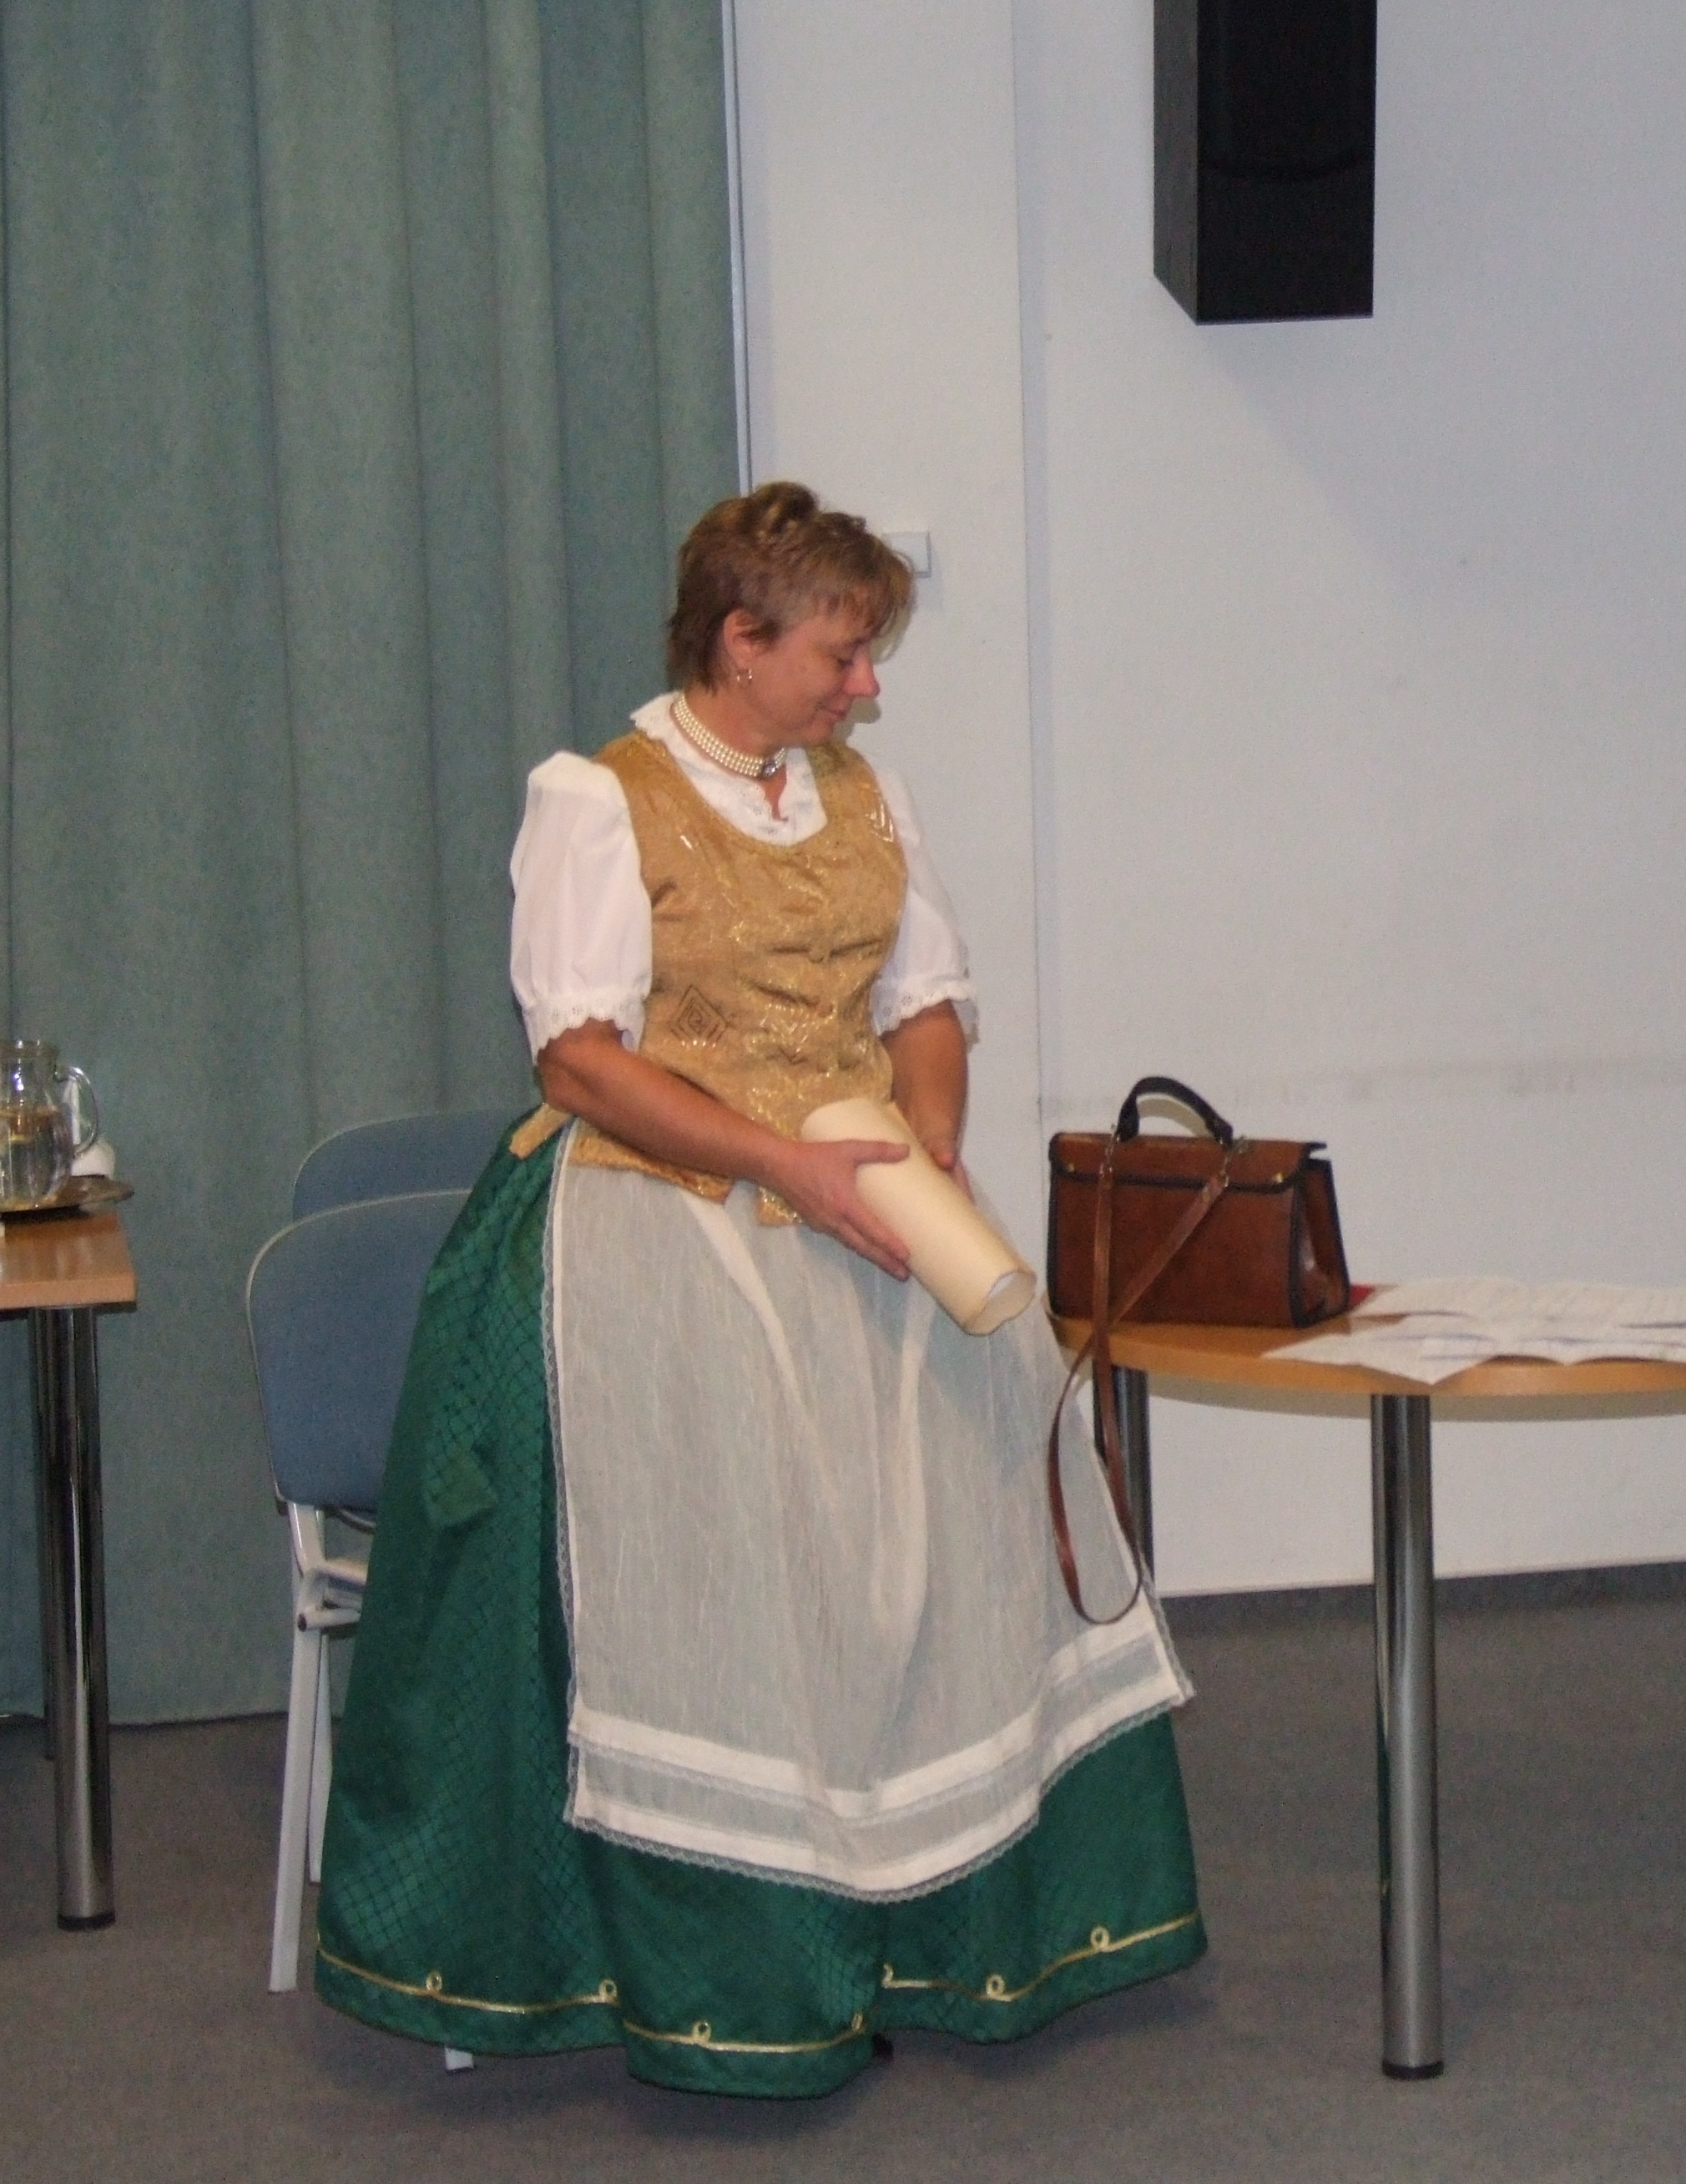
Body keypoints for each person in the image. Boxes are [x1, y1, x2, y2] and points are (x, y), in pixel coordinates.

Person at [314, 483, 1204, 2096]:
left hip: (859, 1196)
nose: (866, 688)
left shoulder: (862, 795)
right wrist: (786, 1164)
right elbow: (581, 1062)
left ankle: (939, 1928)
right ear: (742, 640)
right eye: (842, 657)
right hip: (660, 1213)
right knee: (729, 1562)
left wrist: (927, 1138)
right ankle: (726, 1968)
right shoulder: (601, 797)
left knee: (973, 1484)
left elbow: (923, 998)